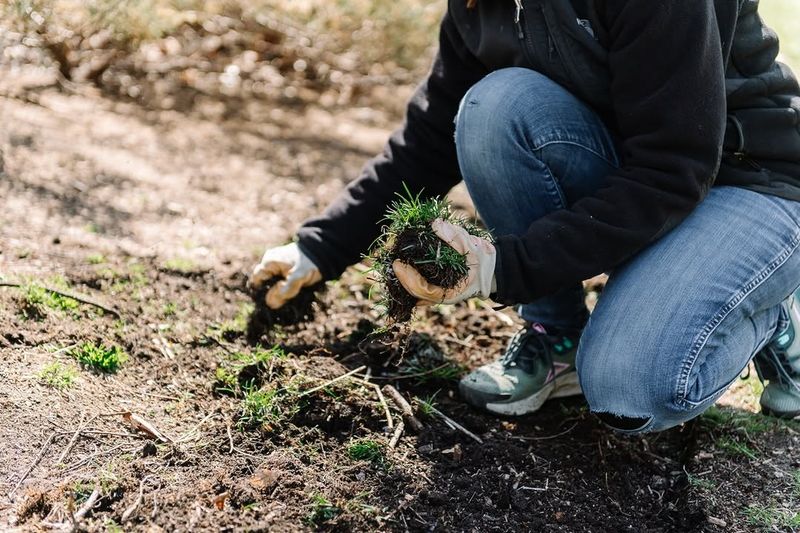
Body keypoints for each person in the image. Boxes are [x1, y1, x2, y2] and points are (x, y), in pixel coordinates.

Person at [251, 0, 800, 433]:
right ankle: (555, 334)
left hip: (752, 180)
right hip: (646, 175)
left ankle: (760, 302)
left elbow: (672, 166)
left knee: (630, 391)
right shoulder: (481, 3)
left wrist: (498, 267)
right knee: (498, 106)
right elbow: (430, 134)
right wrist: (319, 247)